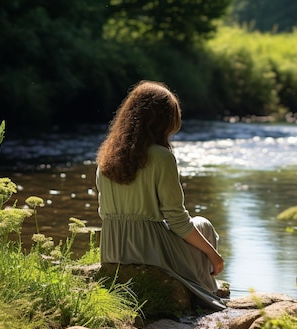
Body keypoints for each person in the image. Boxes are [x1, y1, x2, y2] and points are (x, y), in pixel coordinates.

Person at [95, 80, 226, 310]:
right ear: (163, 122)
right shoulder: (162, 158)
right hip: (148, 251)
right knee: (202, 225)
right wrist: (214, 255)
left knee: (195, 228)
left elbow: (103, 213)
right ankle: (206, 290)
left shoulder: (106, 157)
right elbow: (177, 220)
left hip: (113, 248)